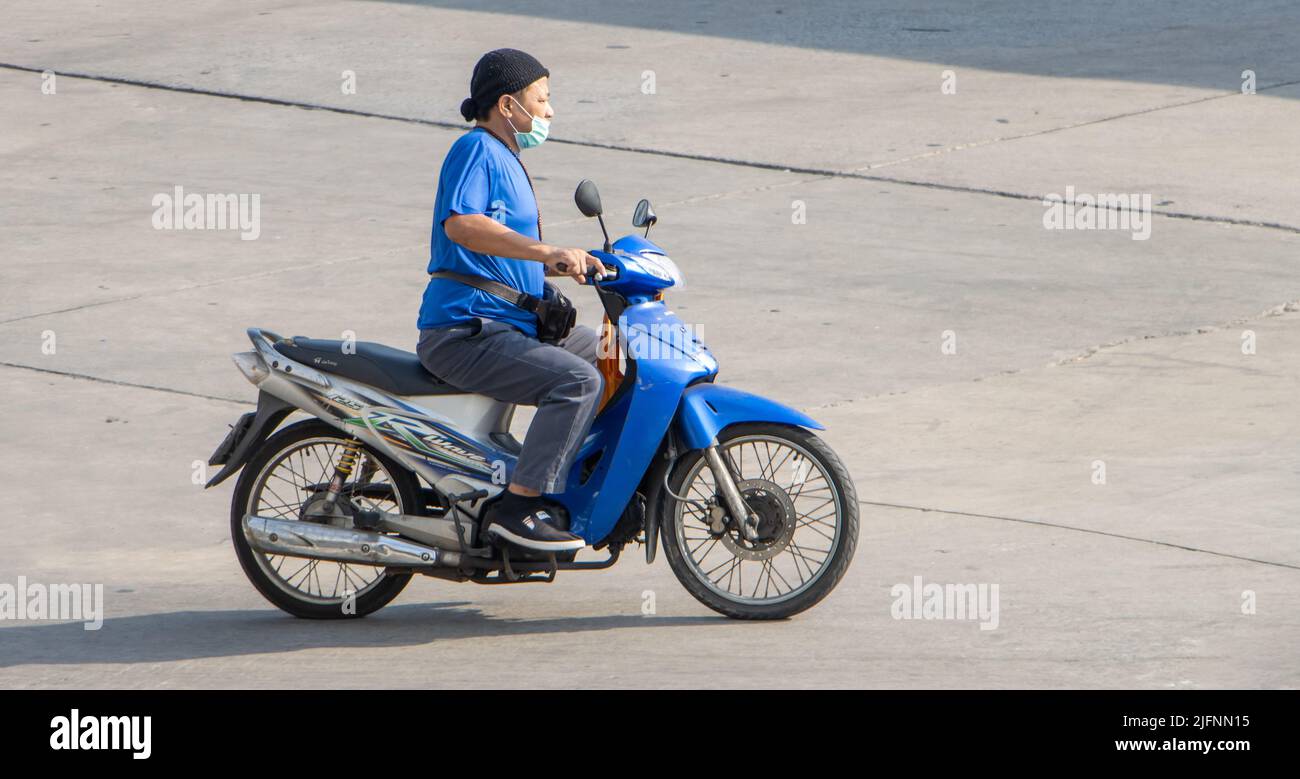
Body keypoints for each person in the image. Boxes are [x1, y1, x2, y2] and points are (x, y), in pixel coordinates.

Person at [416, 49, 608, 554]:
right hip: (466, 330)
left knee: (609, 355)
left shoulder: (507, 158)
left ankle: (576, 474)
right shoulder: (476, 149)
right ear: (507, 105)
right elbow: (462, 225)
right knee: (576, 380)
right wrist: (547, 249)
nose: (549, 112)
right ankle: (520, 507)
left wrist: (568, 262)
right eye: (541, 99)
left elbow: (502, 253)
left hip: (505, 324)